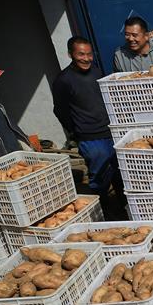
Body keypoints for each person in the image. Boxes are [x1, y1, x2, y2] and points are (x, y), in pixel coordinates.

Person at [52, 36, 124, 217]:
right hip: (90, 138)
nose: (86, 59)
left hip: (110, 132)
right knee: (99, 177)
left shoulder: (97, 72)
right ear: (71, 55)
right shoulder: (63, 80)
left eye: (89, 54)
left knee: (119, 174)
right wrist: (76, 131)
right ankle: (102, 213)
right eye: (81, 54)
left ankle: (123, 209)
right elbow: (60, 111)